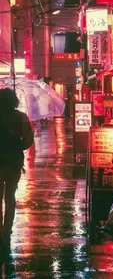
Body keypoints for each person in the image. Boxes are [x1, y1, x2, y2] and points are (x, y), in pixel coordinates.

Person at [0, 88, 34, 251]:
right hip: (13, 162)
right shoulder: (21, 117)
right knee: (10, 197)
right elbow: (28, 141)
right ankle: (7, 231)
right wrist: (16, 146)